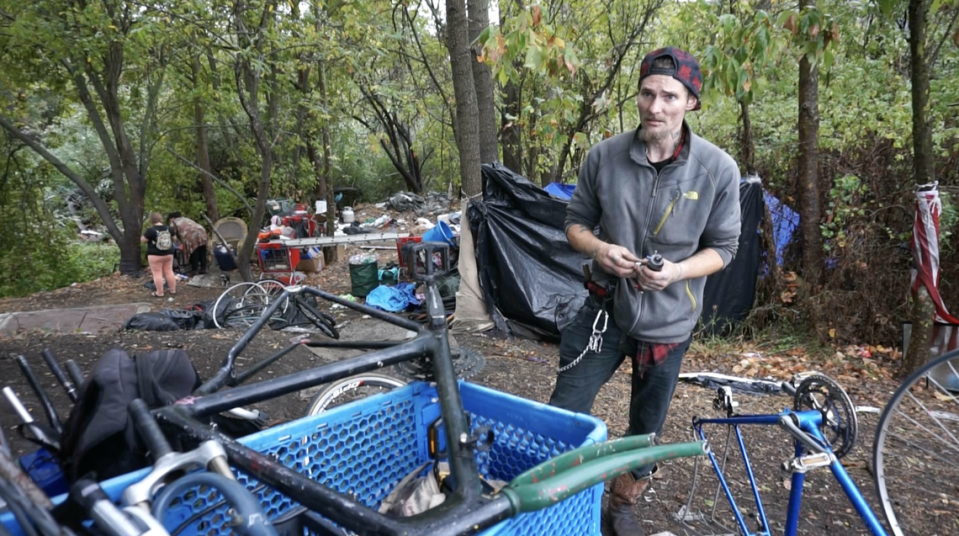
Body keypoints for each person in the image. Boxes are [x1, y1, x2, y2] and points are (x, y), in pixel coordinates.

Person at [548, 47, 742, 536]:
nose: (656, 106)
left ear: (691, 103)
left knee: (646, 423)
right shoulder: (604, 156)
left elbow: (725, 248)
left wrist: (676, 272)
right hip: (603, 312)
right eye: (648, 93)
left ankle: (623, 503)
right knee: (562, 411)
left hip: (669, 321)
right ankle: (557, 499)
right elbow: (574, 225)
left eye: (670, 96)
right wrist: (599, 251)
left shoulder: (717, 169)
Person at [141, 212, 177, 298]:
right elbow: (174, 239)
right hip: (168, 253)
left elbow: (143, 240)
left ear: (152, 220)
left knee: (157, 274)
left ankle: (160, 293)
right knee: (169, 271)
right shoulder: (169, 228)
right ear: (161, 219)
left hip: (155, 255)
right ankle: (173, 290)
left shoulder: (151, 230)